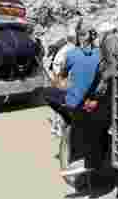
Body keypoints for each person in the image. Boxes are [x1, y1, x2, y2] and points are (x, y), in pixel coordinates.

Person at [43, 25, 102, 178]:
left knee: (47, 92)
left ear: (79, 37)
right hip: (96, 101)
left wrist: (61, 83)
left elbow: (60, 78)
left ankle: (68, 120)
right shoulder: (101, 54)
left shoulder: (71, 54)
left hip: (76, 103)